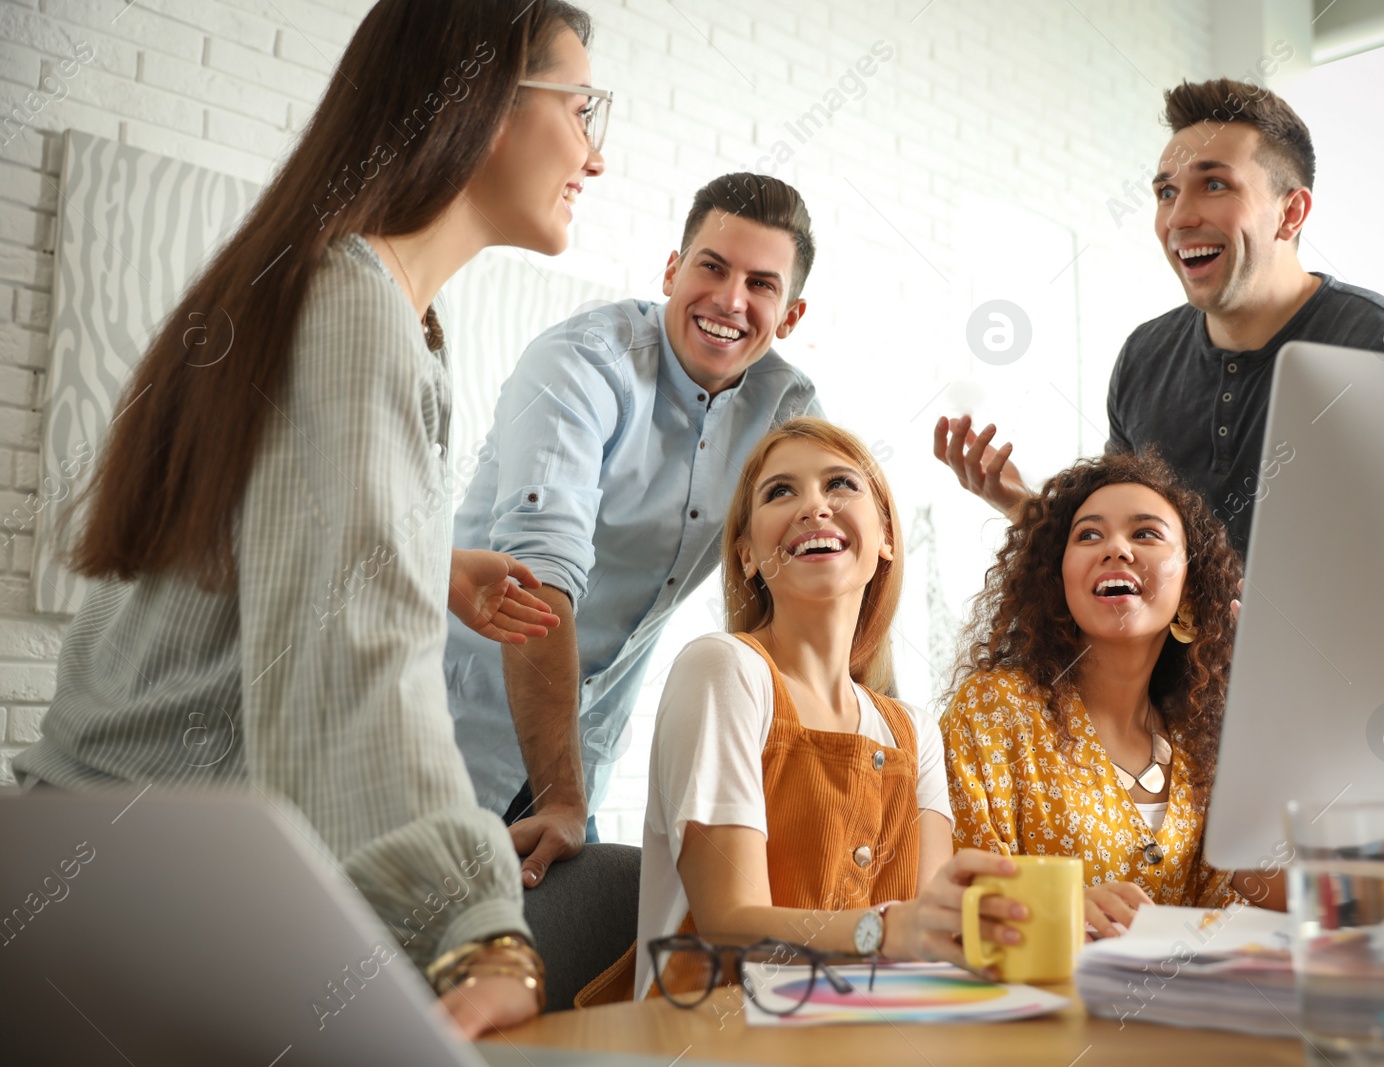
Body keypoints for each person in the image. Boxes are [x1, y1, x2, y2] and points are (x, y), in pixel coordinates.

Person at [14, 0, 605, 1036]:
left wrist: (427, 560)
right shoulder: (353, 308)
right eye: (583, 107)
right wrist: (477, 924)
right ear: (485, 103)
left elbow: (275, 573)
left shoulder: (359, 294)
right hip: (145, 891)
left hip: (93, 861)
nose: (595, 156)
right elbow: (346, 659)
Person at [445, 173, 823, 888]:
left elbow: (828, 584)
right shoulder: (584, 363)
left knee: (552, 982)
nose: (730, 301)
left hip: (577, 758)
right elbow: (538, 573)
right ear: (674, 269)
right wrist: (562, 797)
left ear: (791, 313)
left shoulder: (789, 410)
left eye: (761, 284)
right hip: (444, 736)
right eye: (712, 267)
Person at [934, 77, 1384, 559]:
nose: (1179, 218)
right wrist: (1021, 504)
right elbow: (1133, 556)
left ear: (1290, 213)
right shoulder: (1144, 358)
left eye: (1215, 186)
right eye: (1166, 192)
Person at [636, 418, 1024, 999]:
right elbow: (729, 923)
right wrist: (885, 930)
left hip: (863, 1035)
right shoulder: (723, 669)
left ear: (887, 536)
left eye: (840, 484)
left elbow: (933, 930)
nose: (814, 507)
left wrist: (1058, 919)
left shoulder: (914, 731)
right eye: (780, 491)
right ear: (746, 556)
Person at [941, 451, 1286, 937]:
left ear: (1190, 591)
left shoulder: (1199, 742)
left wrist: (1277, 697)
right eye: (1089, 534)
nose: (1117, 548)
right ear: (1058, 582)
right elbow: (956, 896)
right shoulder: (994, 707)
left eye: (1145, 533)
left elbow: (1269, 906)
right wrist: (1061, 909)